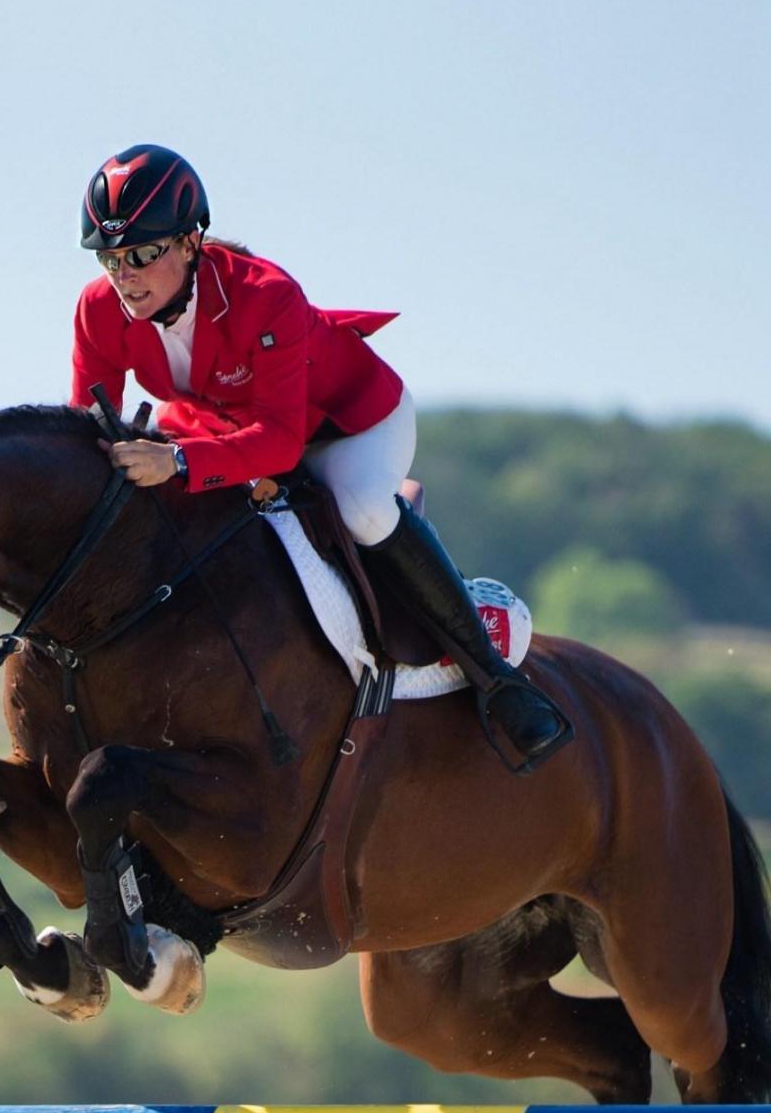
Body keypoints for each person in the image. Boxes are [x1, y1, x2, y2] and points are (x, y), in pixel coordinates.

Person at [72, 143, 571, 772]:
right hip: (225, 423)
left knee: (361, 509)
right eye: (111, 258)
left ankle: (494, 674)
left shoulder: (266, 295)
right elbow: (90, 430)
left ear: (191, 243)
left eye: (144, 254)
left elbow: (281, 443)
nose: (125, 275)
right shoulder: (97, 310)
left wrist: (176, 463)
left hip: (346, 423)